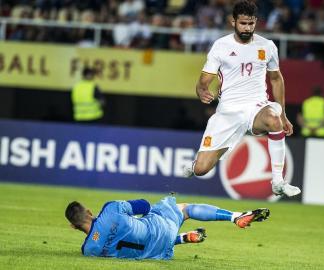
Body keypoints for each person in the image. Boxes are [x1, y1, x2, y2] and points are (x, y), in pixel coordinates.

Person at [183, 0, 301, 197]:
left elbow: (276, 79)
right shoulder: (221, 46)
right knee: (202, 170)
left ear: (256, 22)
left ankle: (278, 182)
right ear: (233, 22)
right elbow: (204, 80)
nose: (247, 28)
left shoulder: (268, 46)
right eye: (243, 23)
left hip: (256, 105)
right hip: (228, 111)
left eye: (251, 23)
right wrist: (200, 89)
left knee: (274, 120)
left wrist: (284, 114)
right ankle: (198, 164)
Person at [65, 196, 270, 260]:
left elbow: (103, 238)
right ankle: (235, 216)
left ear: (73, 227)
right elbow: (144, 205)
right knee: (185, 209)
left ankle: (181, 239)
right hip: (159, 229)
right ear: (89, 212)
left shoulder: (88, 251)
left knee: (132, 243)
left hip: (153, 253)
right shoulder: (110, 210)